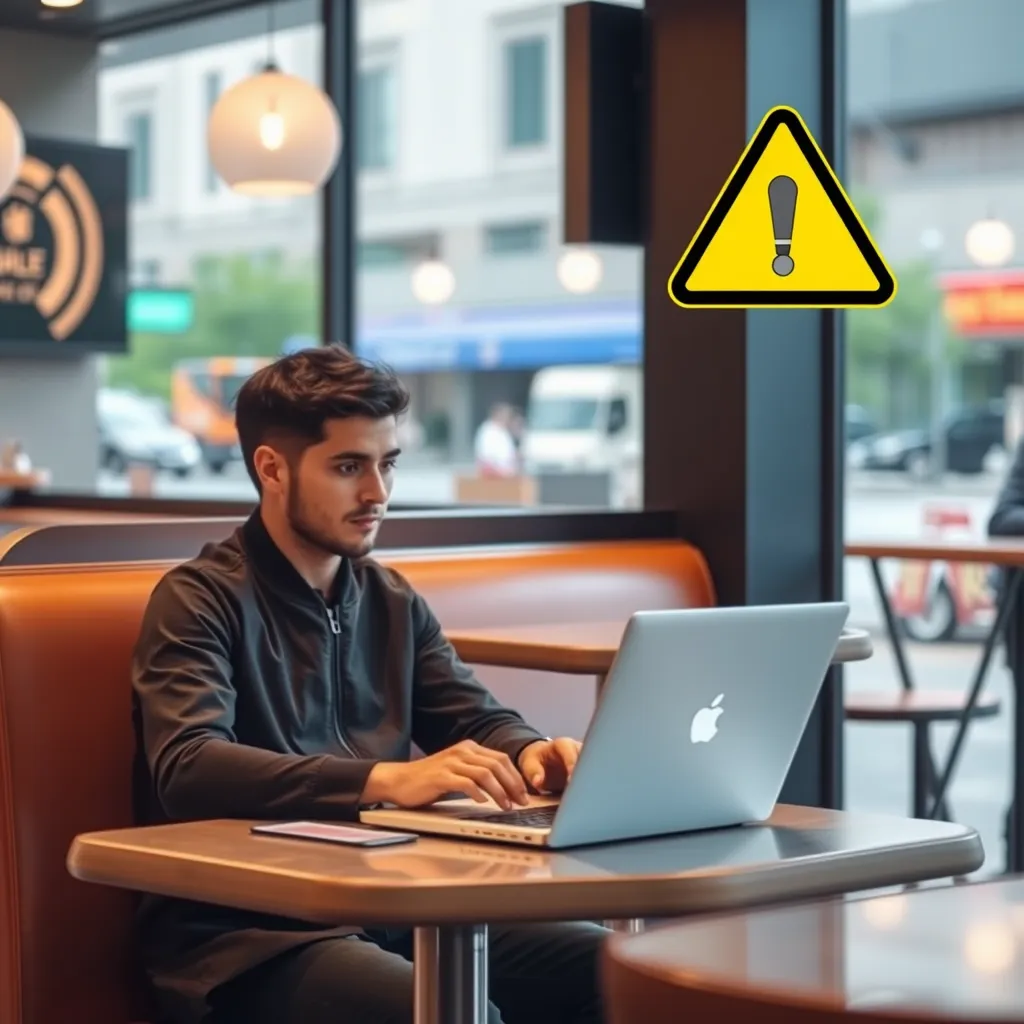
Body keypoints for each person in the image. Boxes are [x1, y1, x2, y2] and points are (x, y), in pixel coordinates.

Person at [130, 345, 605, 1024]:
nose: (378, 493)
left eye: (387, 464)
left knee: (609, 969)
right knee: (454, 1015)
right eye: (349, 467)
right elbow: (187, 766)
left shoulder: (389, 598)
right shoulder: (197, 599)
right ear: (272, 469)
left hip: (391, 903)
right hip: (250, 937)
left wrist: (531, 751)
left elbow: (474, 716)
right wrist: (383, 780)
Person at [473, 402, 520, 477]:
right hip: (494, 474)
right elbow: (486, 458)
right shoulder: (487, 431)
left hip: (507, 474)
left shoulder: (503, 431)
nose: (507, 419)